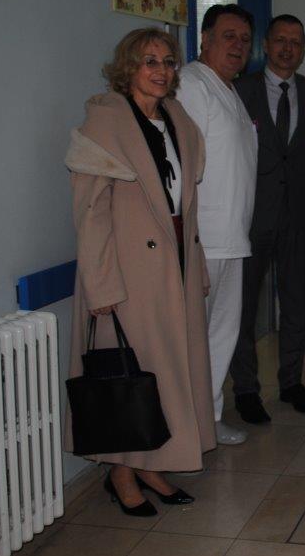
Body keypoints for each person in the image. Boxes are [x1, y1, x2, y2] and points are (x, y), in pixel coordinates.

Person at [64, 27, 211, 516]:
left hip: (175, 264)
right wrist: (101, 285)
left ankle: (152, 464)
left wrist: (198, 267)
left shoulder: (176, 119)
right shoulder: (104, 124)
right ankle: (122, 474)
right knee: (132, 374)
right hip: (127, 273)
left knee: (166, 373)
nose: (161, 71)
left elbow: (187, 208)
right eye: (150, 61)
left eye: (168, 62)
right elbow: (91, 213)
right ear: (128, 67)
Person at [231, 14, 305, 422]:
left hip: (297, 214)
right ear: (265, 45)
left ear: (303, 50)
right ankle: (246, 389)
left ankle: (292, 382)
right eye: (281, 40)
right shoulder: (238, 90)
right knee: (244, 306)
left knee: (295, 301)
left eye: (296, 42)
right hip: (250, 215)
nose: (288, 48)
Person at [178, 4, 259, 445]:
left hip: (233, 238)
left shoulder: (230, 90)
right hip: (204, 239)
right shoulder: (193, 85)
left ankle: (208, 419)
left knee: (221, 337)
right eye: (229, 36)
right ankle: (186, 430)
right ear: (205, 39)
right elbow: (183, 168)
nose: (238, 46)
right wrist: (189, 241)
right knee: (194, 338)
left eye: (245, 40)